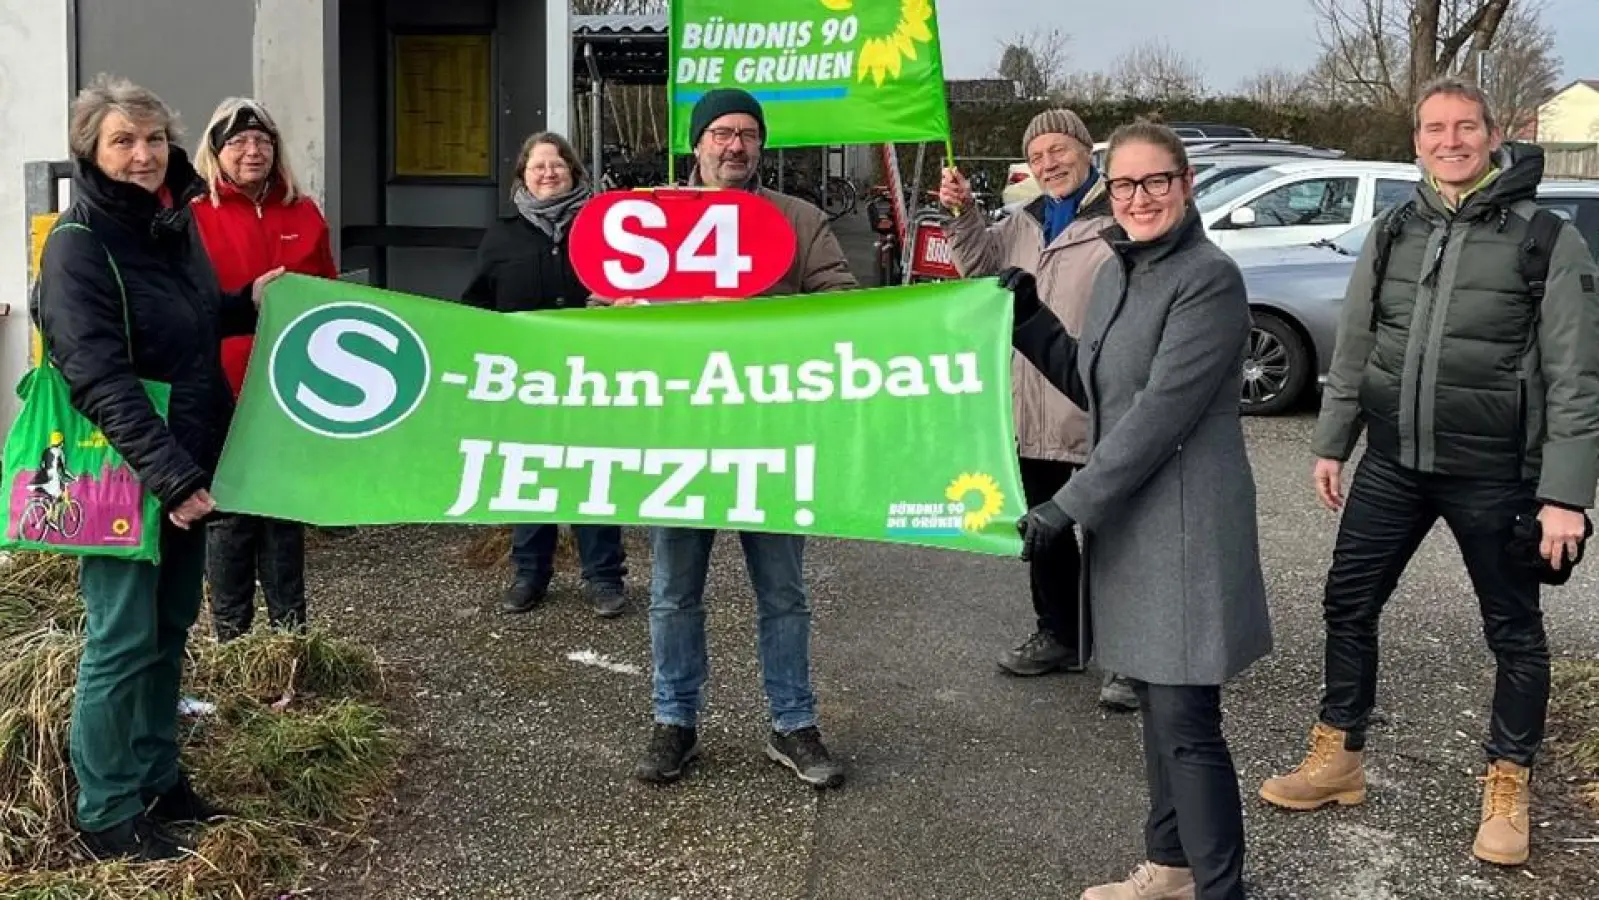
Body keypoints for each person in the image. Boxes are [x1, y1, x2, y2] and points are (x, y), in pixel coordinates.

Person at [1259, 76, 1599, 868]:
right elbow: (1355, 345)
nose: (1450, 141)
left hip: (1497, 474)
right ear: (1415, 141)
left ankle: (1508, 784)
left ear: (1491, 136)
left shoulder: (1546, 238)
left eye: (1465, 127)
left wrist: (1564, 498)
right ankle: (1338, 754)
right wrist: (1331, 440)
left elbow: (1578, 376)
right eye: (1434, 128)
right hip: (1393, 463)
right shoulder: (1395, 228)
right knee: (1347, 601)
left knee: (1513, 633)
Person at [1006, 120, 1272, 900]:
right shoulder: (1122, 270)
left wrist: (1064, 506)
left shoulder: (1206, 277)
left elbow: (1161, 414)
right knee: (1158, 716)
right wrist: (1031, 320)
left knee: (1188, 728)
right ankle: (1169, 868)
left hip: (1186, 526)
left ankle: (1220, 890)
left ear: (1185, 185)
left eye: (1155, 181)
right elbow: (1098, 386)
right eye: (1124, 184)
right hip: (1131, 522)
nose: (1139, 197)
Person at [33, 74, 282, 862]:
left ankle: (157, 776)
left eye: (151, 139)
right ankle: (106, 811)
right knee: (120, 636)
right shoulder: (78, 248)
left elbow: (191, 321)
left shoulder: (170, 227)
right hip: (128, 469)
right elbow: (97, 375)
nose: (141, 155)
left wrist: (247, 300)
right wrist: (172, 477)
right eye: (122, 142)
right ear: (90, 154)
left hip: (184, 459)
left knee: (169, 628)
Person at [632, 88, 856, 788]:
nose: (734, 146)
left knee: (782, 589)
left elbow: (842, 303)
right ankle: (674, 721)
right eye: (721, 133)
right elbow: (600, 310)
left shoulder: (798, 219)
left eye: (748, 134)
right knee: (673, 590)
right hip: (681, 433)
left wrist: (755, 311)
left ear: (760, 146)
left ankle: (792, 724)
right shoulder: (651, 219)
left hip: (770, 432)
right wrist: (631, 309)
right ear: (695, 145)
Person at [939, 108, 1137, 712]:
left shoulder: (1118, 218)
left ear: (1086, 152)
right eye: (1040, 154)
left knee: (1118, 534)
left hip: (1101, 399)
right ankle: (1061, 634)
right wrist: (963, 213)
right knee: (1047, 530)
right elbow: (981, 268)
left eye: (1061, 149)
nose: (1051, 163)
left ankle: (1131, 658)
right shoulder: (1023, 220)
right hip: (1032, 399)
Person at [460, 131, 629, 618]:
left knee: (593, 472)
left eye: (557, 165)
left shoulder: (604, 228)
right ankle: (530, 574)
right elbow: (476, 304)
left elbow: (628, 292)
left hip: (592, 373)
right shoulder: (502, 236)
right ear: (523, 177)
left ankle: (603, 577)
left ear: (574, 172)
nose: (548, 173)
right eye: (538, 167)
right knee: (530, 474)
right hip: (527, 380)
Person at [191, 97, 335, 642]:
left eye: (263, 142)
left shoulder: (302, 212)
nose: (253, 151)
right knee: (228, 511)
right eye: (239, 142)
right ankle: (233, 641)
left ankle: (290, 637)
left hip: (290, 384)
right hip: (219, 384)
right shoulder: (194, 216)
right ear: (216, 150)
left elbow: (328, 291)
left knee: (281, 508)